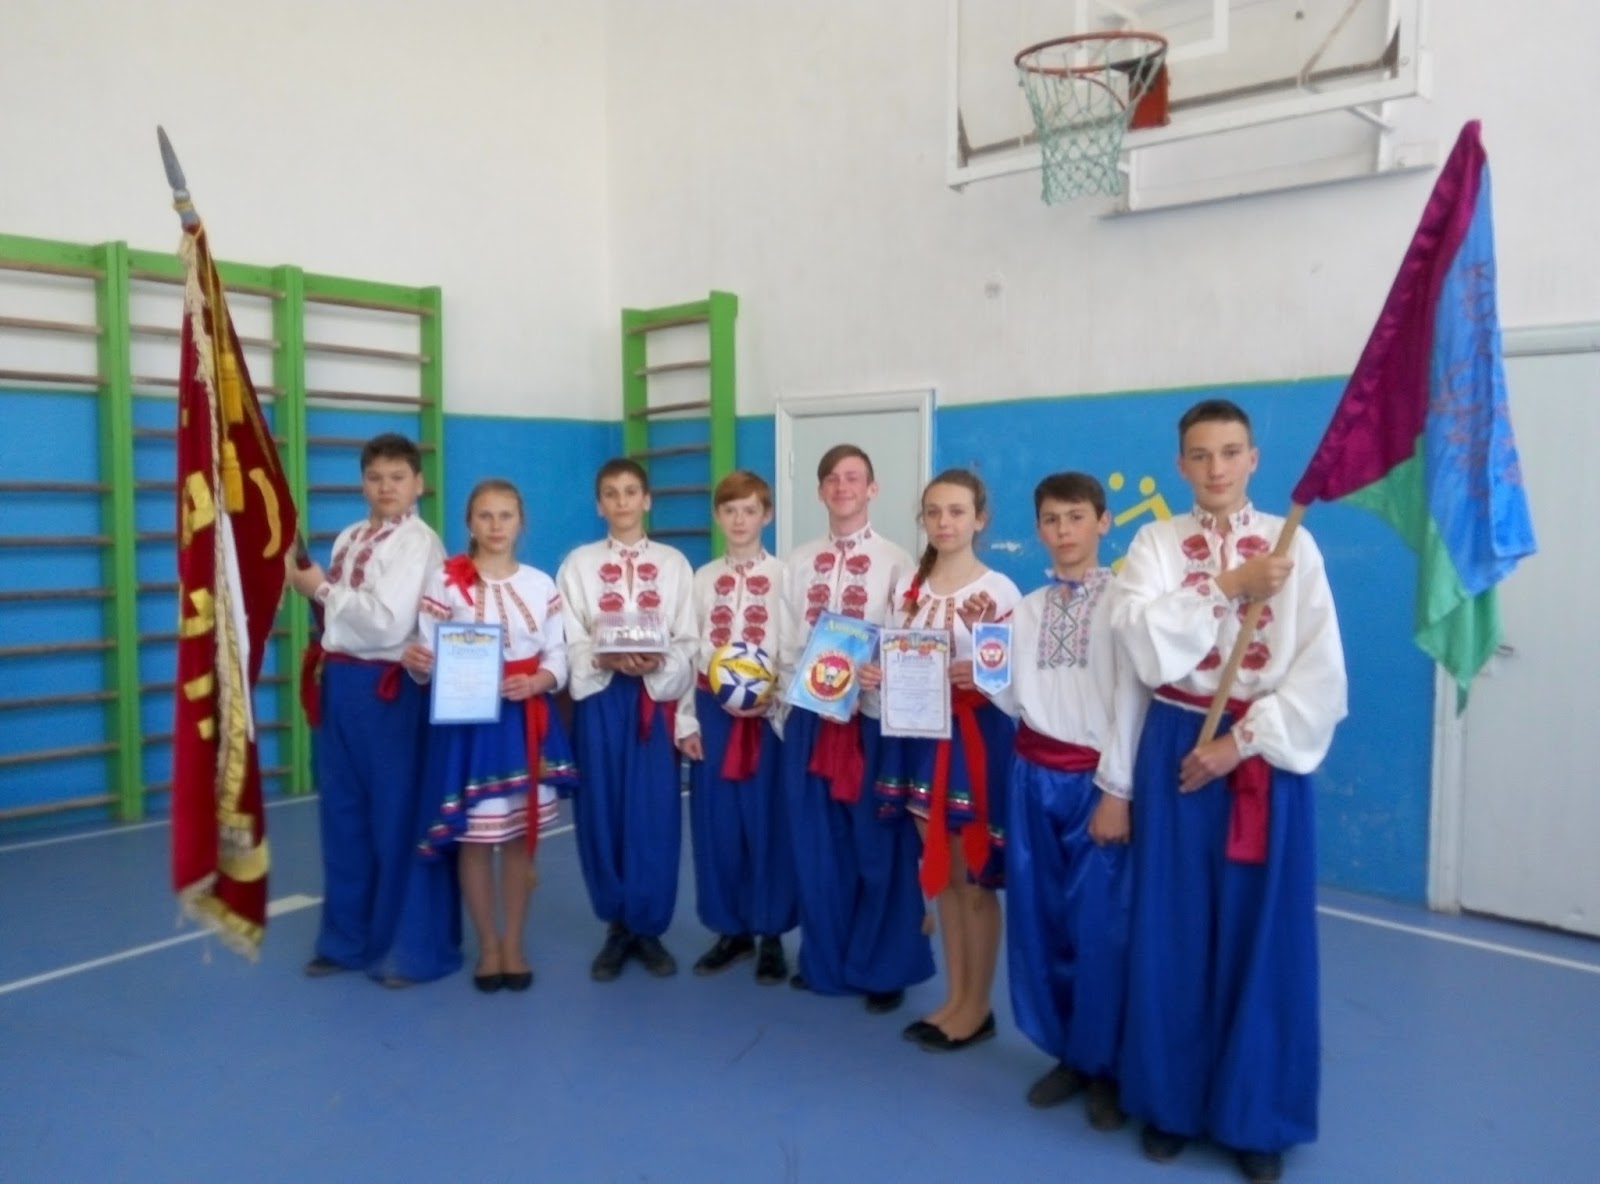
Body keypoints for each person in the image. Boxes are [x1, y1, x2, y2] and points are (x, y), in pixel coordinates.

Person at [1111, 399, 1347, 1184]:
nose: (1216, 468)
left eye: (1230, 452)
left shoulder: (1293, 543)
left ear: (1253, 459)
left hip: (1262, 753)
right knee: (1171, 927)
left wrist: (1240, 744)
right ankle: (1170, 1101)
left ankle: (1258, 1115)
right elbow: (1140, 640)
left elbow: (1322, 671)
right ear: (1180, 464)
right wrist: (1228, 586)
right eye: (1201, 454)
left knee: (1262, 933)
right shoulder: (1154, 544)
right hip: (1177, 743)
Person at [990, 472, 1146, 1129]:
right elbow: (1010, 695)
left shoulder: (1128, 604)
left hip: (1096, 782)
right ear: (1038, 530)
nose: (1064, 531)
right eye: (1052, 520)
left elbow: (1135, 700)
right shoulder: (1025, 610)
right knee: (1041, 916)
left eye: (1076, 517)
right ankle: (1068, 1054)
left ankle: (1107, 1064)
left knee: (1102, 927)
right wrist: (977, 667)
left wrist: (1118, 789)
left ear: (1103, 522)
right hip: (1032, 775)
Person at [395, 478, 576, 992]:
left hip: (523, 719)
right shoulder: (445, 582)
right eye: (485, 516)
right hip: (468, 725)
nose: (496, 526)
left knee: (517, 838)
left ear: (521, 522)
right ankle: (488, 945)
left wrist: (540, 680)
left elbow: (558, 653)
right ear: (469, 523)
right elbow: (428, 654)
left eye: (506, 515)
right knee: (475, 840)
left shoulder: (541, 584)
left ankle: (513, 942)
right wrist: (417, 662)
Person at [777, 444, 932, 1014]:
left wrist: (879, 675)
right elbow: (785, 643)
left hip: (869, 724)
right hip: (810, 720)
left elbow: (905, 641)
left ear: (872, 488)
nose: (842, 487)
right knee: (817, 845)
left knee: (878, 845)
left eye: (854, 477)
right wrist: (794, 702)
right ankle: (826, 958)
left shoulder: (898, 563)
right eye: (832, 479)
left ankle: (884, 965)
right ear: (820, 491)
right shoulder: (798, 563)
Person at [284, 432, 446, 981]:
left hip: (389, 691)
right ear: (362, 483)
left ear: (418, 483)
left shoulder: (419, 543)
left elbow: (387, 624)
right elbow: (335, 622)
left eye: (397, 478)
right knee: (343, 814)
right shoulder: (349, 537)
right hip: (341, 686)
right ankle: (345, 940)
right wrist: (314, 591)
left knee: (395, 817)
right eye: (375, 478)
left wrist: (320, 590)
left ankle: (407, 946)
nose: (386, 487)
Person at [876, 470, 1021, 1051]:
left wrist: (982, 675)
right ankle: (955, 997)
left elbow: (1011, 680)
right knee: (943, 875)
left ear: (979, 519)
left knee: (973, 876)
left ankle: (978, 1006)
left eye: (957, 511)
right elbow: (897, 655)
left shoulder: (999, 591)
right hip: (919, 738)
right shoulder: (909, 588)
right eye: (934, 512)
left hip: (973, 740)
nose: (944, 522)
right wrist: (878, 672)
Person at [557, 458, 696, 981]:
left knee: (654, 812)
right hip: (600, 698)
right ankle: (616, 924)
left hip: (652, 702)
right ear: (599, 504)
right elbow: (569, 635)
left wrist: (661, 663)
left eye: (631, 491)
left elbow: (688, 638)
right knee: (602, 810)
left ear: (647, 499)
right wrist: (603, 657)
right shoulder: (578, 565)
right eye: (611, 493)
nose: (622, 502)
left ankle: (649, 926)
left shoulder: (674, 564)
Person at [675, 470, 796, 985]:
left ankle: (772, 934)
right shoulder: (701, 579)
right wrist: (686, 719)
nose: (740, 520)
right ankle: (731, 929)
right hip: (713, 713)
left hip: (768, 717)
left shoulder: (786, 576)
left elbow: (792, 646)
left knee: (769, 824)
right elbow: (686, 651)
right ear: (717, 516)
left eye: (750, 510)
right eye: (730, 511)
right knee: (717, 825)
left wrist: (775, 699)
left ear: (767, 515)